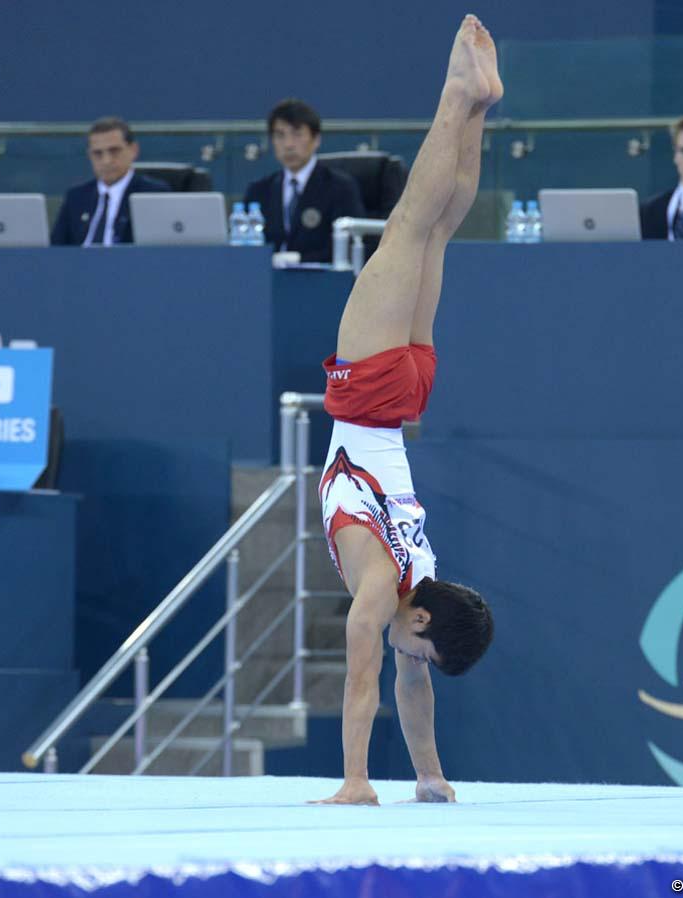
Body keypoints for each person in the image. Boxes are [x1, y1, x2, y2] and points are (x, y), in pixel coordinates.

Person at [315, 15, 499, 806]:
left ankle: (479, 107)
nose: (411, 665)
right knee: (409, 228)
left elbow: (411, 689)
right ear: (420, 621)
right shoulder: (380, 587)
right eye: (419, 652)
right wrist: (356, 781)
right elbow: (364, 680)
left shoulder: (420, 577)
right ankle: (456, 96)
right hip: (369, 395)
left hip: (405, 395)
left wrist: (429, 776)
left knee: (440, 234)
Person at [244, 99, 364, 263]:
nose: (288, 145)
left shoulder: (340, 187)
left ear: (316, 139)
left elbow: (348, 247)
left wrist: (300, 259)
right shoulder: (259, 191)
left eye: (297, 134)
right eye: (280, 136)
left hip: (320, 277)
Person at [51, 117, 169, 246]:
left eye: (114, 151)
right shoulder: (76, 197)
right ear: (89, 155)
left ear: (133, 150)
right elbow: (56, 248)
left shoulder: (152, 194)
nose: (106, 161)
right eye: (98, 153)